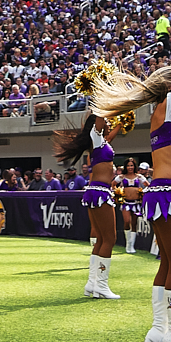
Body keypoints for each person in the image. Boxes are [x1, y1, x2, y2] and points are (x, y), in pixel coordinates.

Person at [90, 37, 171, 342]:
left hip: (160, 194)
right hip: (169, 193)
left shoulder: (164, 109)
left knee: (169, 263)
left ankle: (159, 330)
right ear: (170, 85)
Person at [52, 111, 122, 298]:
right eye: (105, 121)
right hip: (100, 191)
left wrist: (121, 123)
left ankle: (92, 283)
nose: (107, 123)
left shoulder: (100, 142)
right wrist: (103, 99)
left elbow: (111, 134)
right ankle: (101, 285)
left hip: (96, 191)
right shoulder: (96, 137)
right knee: (109, 239)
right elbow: (100, 116)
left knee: (101, 239)